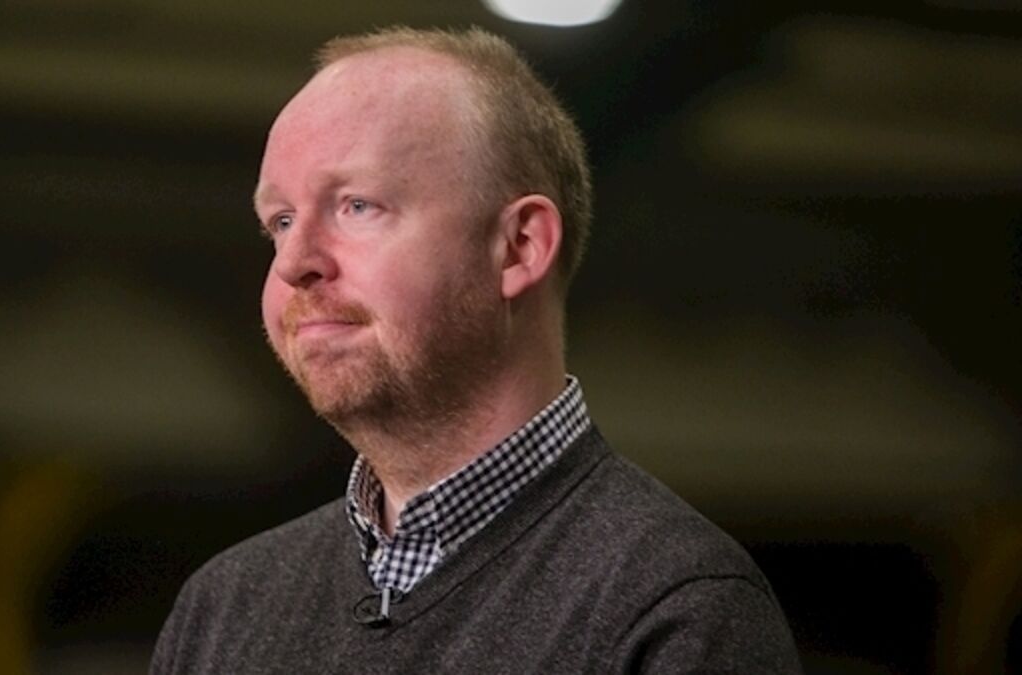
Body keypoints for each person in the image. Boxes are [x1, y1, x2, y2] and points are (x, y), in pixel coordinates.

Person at [152, 26, 801, 673]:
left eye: (357, 206)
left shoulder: (676, 606)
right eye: (281, 221)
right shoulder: (223, 607)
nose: (293, 263)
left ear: (518, 247)